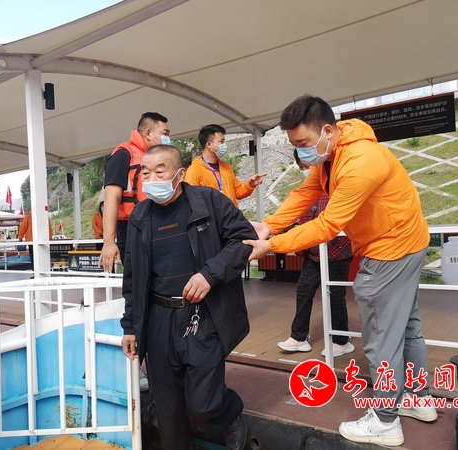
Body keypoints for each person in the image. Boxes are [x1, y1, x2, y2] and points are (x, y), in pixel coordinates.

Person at [243, 95, 435, 447]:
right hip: (407, 242)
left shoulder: (360, 162)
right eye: (294, 145)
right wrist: (269, 225)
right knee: (407, 327)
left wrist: (272, 245)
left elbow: (328, 224)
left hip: (389, 251)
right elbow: (305, 193)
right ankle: (418, 398)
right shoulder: (333, 153)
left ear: (327, 131)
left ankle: (386, 420)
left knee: (380, 338)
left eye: (303, 142)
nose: (301, 152)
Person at [120, 144, 257, 450]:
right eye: (145, 173)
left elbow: (244, 240)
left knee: (203, 405)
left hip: (201, 314)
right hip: (158, 318)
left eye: (160, 171)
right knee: (168, 414)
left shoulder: (209, 202)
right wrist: (130, 326)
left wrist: (209, 274)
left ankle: (230, 412)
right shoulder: (140, 216)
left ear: (180, 174)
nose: (151, 179)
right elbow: (132, 276)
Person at [277, 149, 354, 357]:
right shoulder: (307, 189)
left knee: (336, 295)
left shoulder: (335, 182)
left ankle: (342, 341)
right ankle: (299, 337)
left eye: (307, 166)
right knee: (304, 291)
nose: (306, 171)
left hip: (338, 249)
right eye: (302, 167)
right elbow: (303, 219)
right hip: (313, 251)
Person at [99, 112, 171, 272]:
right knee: (138, 278)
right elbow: (111, 198)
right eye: (165, 133)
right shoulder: (123, 155)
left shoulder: (154, 158)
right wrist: (109, 242)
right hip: (132, 228)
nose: (168, 138)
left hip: (157, 225)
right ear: (148, 133)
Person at [184, 124, 267, 207]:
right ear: (209, 144)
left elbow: (238, 193)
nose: (224, 145)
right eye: (221, 141)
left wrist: (250, 184)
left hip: (232, 214)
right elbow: (191, 201)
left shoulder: (226, 167)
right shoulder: (194, 170)